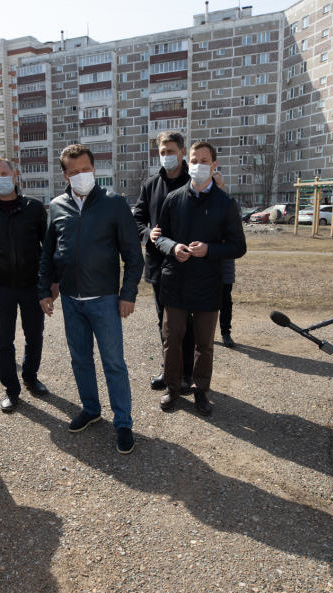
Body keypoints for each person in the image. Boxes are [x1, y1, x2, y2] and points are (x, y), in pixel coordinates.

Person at [39, 144, 144, 454]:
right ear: (65, 175)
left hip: (105, 300)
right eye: (74, 172)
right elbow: (48, 254)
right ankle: (91, 409)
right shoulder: (56, 206)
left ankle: (123, 423)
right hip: (72, 301)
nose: (81, 175)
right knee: (80, 359)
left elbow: (133, 255)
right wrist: (44, 290)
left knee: (113, 363)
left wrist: (128, 294)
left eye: (85, 169)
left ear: (94, 169)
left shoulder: (114, 203)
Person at [153, 141, 247, 416]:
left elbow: (238, 246)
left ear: (214, 165)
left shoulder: (225, 203)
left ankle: (201, 391)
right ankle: (173, 388)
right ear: (188, 162)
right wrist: (173, 247)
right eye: (194, 160)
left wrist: (209, 250)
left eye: (204, 161)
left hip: (208, 283)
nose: (198, 165)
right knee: (172, 338)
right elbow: (160, 237)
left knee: (204, 343)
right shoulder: (174, 199)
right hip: (176, 281)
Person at [0, 157, 49, 413]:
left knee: (34, 335)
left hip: (32, 285)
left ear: (15, 174)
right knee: (3, 340)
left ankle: (30, 377)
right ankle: (11, 389)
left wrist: (50, 282)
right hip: (1, 287)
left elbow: (47, 248)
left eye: (4, 173)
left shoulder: (34, 208)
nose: (0, 178)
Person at [132, 131, 193, 394]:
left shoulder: (194, 181)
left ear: (182, 152)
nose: (166, 156)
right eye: (162, 152)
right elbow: (137, 219)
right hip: (159, 265)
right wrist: (148, 234)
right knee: (164, 322)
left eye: (171, 151)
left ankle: (187, 373)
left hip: (189, 264)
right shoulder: (150, 185)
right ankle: (168, 370)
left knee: (188, 323)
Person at [219, 258, 237, 348]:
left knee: (225, 303)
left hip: (225, 271)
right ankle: (201, 333)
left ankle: (226, 333)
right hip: (203, 271)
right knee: (202, 303)